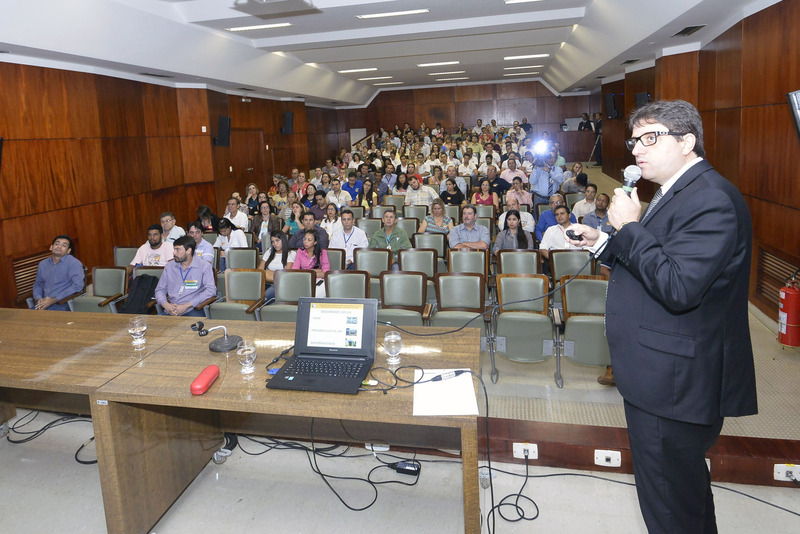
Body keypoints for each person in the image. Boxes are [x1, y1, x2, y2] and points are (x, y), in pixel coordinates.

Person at [566, 99, 757, 533]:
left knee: (671, 509)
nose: (637, 148)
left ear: (687, 142)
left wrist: (630, 227)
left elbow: (678, 287)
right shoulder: (678, 191)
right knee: (680, 498)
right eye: (635, 140)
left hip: (674, 382)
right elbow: (657, 263)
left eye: (650, 138)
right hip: (662, 375)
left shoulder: (711, 200)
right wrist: (603, 242)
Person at [154, 235, 216, 317]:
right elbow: (160, 290)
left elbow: (211, 290)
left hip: (193, 309)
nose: (174, 253)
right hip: (171, 309)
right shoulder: (169, 267)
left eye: (178, 250)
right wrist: (166, 305)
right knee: (154, 323)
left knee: (189, 324)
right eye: (174, 249)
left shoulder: (204, 266)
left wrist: (186, 306)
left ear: (188, 251)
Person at [31, 235, 85, 311]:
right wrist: (38, 298)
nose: (59, 246)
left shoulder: (74, 263)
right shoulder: (43, 264)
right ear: (51, 247)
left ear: (68, 251)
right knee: (26, 316)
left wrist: (53, 300)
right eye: (57, 244)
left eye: (64, 245)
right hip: (44, 302)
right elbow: (38, 284)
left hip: (63, 302)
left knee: (45, 317)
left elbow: (78, 286)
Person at [259, 232, 296, 303]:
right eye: (273, 242)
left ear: (283, 240)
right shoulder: (269, 252)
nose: (275, 244)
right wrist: (276, 273)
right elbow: (260, 271)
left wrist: (268, 272)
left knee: (262, 299)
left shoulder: (291, 254)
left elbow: (284, 275)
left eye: (277, 240)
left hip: (278, 284)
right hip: (264, 282)